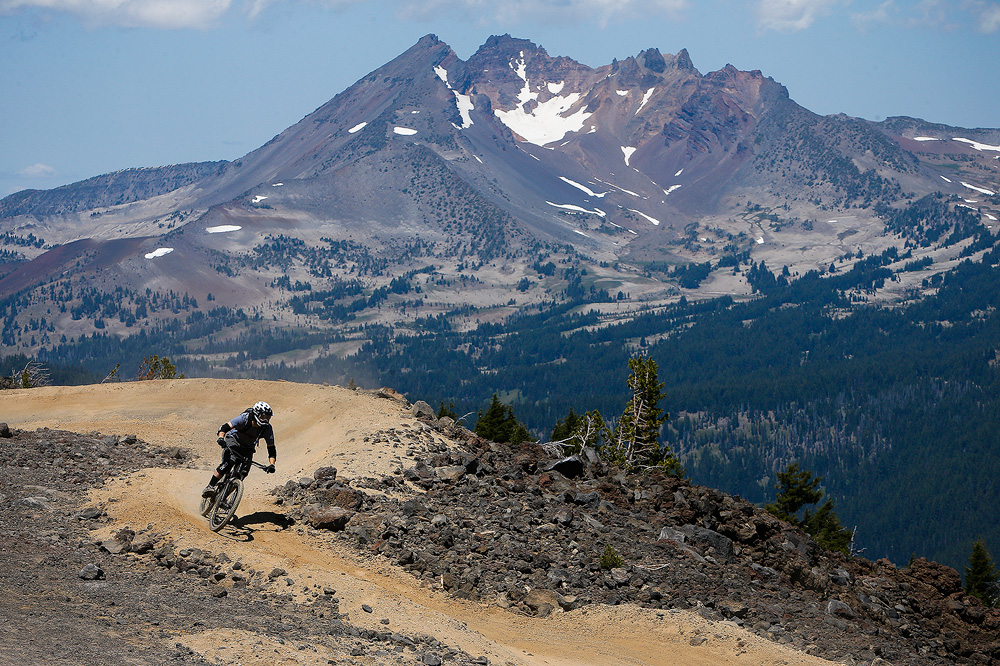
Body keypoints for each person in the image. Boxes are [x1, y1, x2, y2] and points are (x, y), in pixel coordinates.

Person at [203, 401, 276, 498]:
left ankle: (223, 497)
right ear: (256, 414)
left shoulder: (267, 428)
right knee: (228, 463)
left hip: (248, 447)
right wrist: (221, 438)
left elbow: (271, 448)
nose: (266, 420)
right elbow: (225, 427)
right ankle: (210, 486)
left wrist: (272, 465)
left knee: (242, 474)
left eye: (268, 418)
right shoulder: (245, 418)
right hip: (233, 440)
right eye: (263, 417)